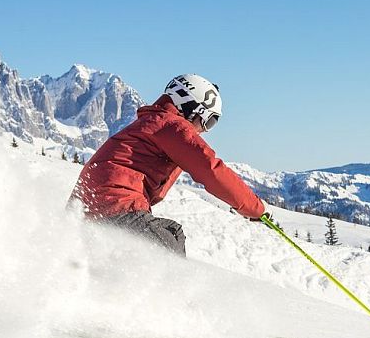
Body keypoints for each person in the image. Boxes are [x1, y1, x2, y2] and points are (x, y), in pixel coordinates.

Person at [70, 74, 270, 256]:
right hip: (116, 205)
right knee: (169, 236)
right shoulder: (171, 126)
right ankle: (168, 294)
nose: (205, 130)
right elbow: (211, 170)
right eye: (208, 122)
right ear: (193, 109)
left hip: (88, 210)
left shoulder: (150, 123)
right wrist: (255, 209)